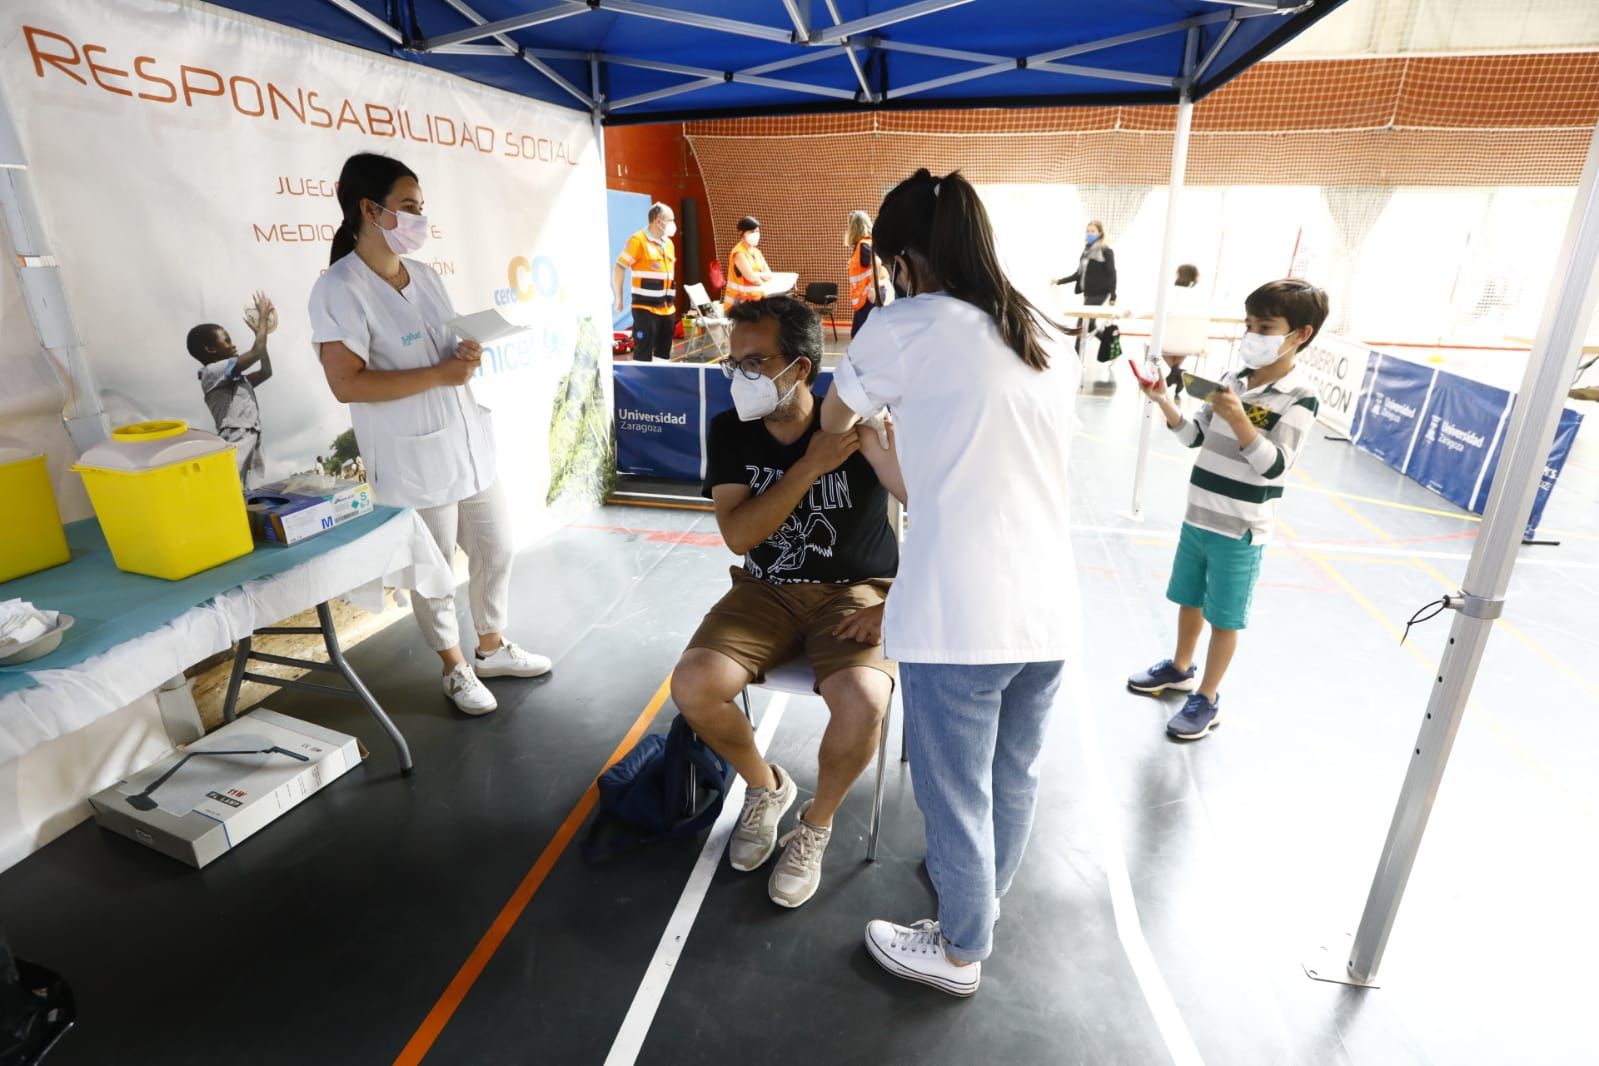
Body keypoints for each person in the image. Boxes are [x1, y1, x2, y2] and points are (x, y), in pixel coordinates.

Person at [821, 170, 1079, 997]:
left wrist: (862, 422)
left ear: (899, 256)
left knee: (953, 789)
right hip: (1047, 604)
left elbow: (830, 417)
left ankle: (960, 951)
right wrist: (887, 444)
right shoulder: (1038, 327)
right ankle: (981, 905)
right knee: (1012, 774)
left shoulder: (903, 324)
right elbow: (946, 482)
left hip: (961, 611)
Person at [671, 295, 905, 910]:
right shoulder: (731, 429)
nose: (738, 375)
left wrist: (895, 603)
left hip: (858, 592)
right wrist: (808, 468)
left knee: (861, 703)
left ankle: (815, 827)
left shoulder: (856, 423)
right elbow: (740, 535)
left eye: (755, 362)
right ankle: (766, 786)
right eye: (734, 361)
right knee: (694, 683)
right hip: (766, 589)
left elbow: (931, 512)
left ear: (800, 369)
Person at [308, 152, 551, 717]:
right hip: (413, 458)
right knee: (434, 568)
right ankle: (455, 667)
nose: (420, 218)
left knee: (496, 546)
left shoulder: (426, 275)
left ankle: (490, 648)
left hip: (465, 440)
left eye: (421, 207)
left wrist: (463, 354)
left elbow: (439, 349)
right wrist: (441, 373)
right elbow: (346, 383)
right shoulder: (339, 289)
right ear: (370, 210)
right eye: (409, 207)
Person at [1126, 278, 1330, 740]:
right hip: (1198, 516)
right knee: (1189, 599)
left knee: (1224, 616)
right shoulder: (1231, 380)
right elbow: (1193, 436)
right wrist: (1163, 400)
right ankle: (1180, 669)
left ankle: (1208, 697)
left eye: (1266, 326)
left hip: (1240, 530)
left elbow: (1273, 467)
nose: (1253, 335)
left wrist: (1239, 417)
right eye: (1249, 324)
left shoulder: (1300, 397)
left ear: (1300, 334)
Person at [187, 291, 275, 489]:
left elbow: (266, 371)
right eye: (227, 340)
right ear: (211, 349)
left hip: (252, 433)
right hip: (236, 434)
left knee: (251, 490)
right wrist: (262, 319)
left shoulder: (237, 381)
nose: (232, 344)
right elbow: (255, 352)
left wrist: (261, 335)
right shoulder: (211, 372)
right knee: (230, 485)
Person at [612, 202, 678, 362]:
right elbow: (619, 267)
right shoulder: (638, 240)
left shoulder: (669, 243)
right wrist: (619, 298)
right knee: (643, 354)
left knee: (663, 355)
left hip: (667, 309)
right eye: (670, 220)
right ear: (658, 221)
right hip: (645, 309)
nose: (673, 225)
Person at [1161, 263, 1208, 397]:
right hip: (1191, 344)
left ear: (1177, 275)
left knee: (1162, 339)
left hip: (1166, 343)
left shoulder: (1167, 293)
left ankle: (1175, 371)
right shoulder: (1200, 297)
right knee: (1184, 336)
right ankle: (1177, 371)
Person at [844, 210, 892, 336]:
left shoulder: (864, 246)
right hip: (866, 297)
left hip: (869, 296)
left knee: (863, 334)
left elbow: (877, 262)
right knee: (859, 333)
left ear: (854, 227)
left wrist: (872, 288)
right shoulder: (865, 244)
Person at [724, 216, 773, 308]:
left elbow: (769, 275)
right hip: (739, 306)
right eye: (751, 232)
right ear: (741, 233)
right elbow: (752, 278)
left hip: (755, 302)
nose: (755, 234)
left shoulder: (757, 252)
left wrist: (756, 275)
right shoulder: (738, 253)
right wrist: (759, 276)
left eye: (757, 231)